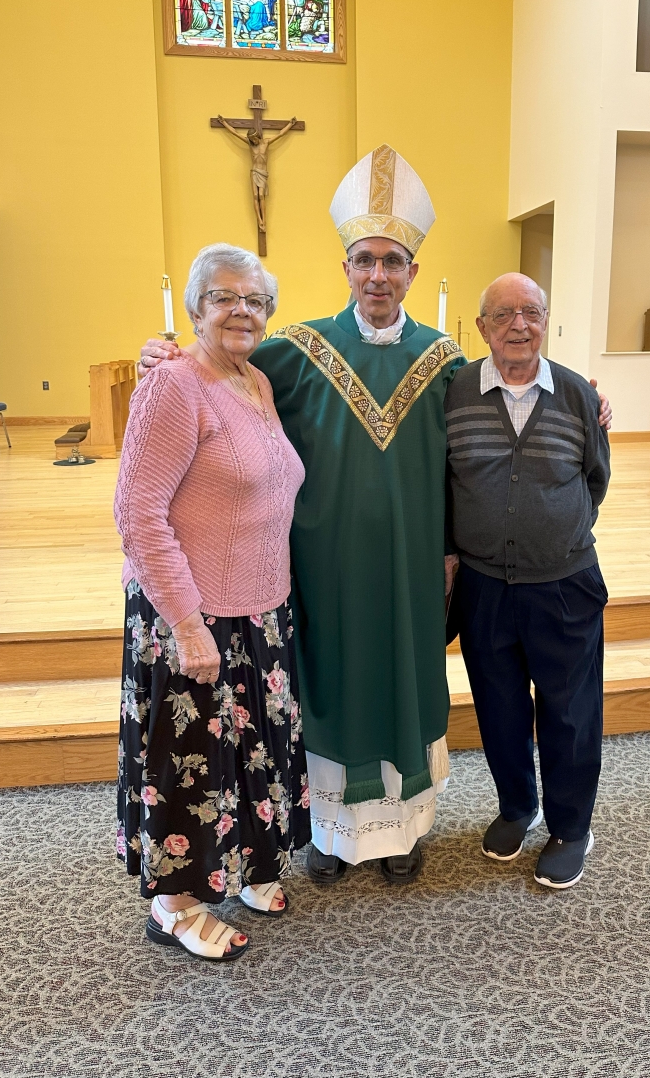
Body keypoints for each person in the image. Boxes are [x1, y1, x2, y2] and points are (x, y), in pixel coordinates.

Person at [140, 147, 613, 887]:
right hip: (321, 568)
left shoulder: (447, 361)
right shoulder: (294, 351)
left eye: (394, 261)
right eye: (365, 260)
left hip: (414, 565)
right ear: (346, 268)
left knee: (405, 678)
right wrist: (161, 356)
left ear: (413, 273)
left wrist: (587, 396)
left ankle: (401, 833)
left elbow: (521, 398)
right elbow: (218, 368)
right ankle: (328, 832)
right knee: (327, 685)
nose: (379, 275)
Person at [115, 243, 309, 962]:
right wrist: (189, 626)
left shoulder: (255, 380)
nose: (241, 310)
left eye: (255, 301)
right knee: (189, 762)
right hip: (190, 616)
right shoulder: (173, 385)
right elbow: (137, 513)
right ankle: (174, 905)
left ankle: (247, 863)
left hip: (258, 610)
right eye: (225, 296)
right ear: (196, 307)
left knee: (249, 753)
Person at [445, 273, 610, 890]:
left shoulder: (576, 396)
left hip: (564, 584)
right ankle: (519, 806)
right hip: (485, 585)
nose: (520, 324)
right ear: (483, 325)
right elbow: (441, 481)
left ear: (546, 321)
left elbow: (596, 481)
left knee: (570, 712)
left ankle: (571, 828)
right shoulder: (457, 392)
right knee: (501, 709)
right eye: (504, 314)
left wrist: (555, 533)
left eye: (532, 312)